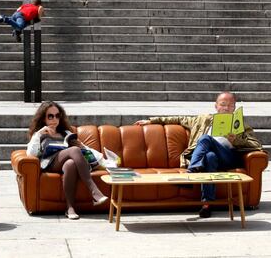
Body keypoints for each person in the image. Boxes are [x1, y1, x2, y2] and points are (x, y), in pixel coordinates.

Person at [134, 92, 262, 218]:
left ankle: (191, 173)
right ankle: (207, 205)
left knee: (206, 138)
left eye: (230, 105)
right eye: (223, 104)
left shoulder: (241, 125)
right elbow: (178, 119)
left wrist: (236, 140)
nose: (226, 108)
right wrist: (152, 121)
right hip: (211, 159)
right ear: (216, 106)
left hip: (228, 158)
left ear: (234, 107)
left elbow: (256, 145)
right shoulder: (203, 119)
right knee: (210, 157)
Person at [26, 101, 108, 220]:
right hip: (49, 163)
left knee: (71, 164)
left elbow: (85, 150)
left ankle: (70, 208)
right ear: (43, 118)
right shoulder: (39, 134)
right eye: (50, 116)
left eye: (57, 116)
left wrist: (100, 159)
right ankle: (94, 191)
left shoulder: (66, 133)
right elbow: (31, 154)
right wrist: (38, 134)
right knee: (74, 150)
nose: (54, 119)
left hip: (65, 163)